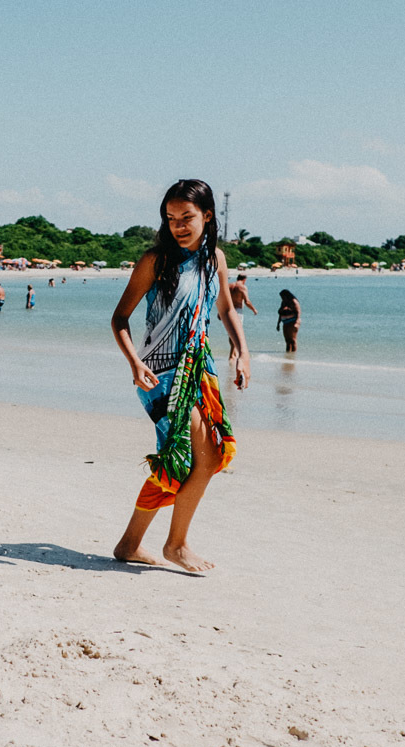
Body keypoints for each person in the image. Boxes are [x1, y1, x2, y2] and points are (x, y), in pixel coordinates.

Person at [110, 179, 249, 572]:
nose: (178, 226)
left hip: (199, 368)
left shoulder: (215, 259)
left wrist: (241, 350)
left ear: (207, 215)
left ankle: (129, 544)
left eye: (187, 218)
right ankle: (177, 545)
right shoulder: (156, 260)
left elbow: (224, 309)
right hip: (160, 372)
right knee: (201, 458)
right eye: (171, 219)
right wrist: (134, 362)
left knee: (189, 460)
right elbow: (120, 318)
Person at [227, 273, 258, 360]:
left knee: (230, 332)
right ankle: (232, 355)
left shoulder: (229, 286)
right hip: (237, 311)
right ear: (244, 280)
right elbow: (247, 301)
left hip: (228, 310)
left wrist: (220, 313)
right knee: (236, 332)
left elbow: (225, 299)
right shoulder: (242, 287)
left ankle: (233, 353)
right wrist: (254, 309)